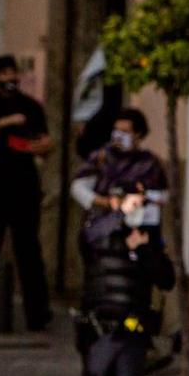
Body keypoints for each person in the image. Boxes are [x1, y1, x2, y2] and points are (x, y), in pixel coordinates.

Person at [77, 189, 175, 376]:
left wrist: (142, 249)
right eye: (134, 200)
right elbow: (88, 238)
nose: (138, 207)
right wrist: (120, 214)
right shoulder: (98, 226)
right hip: (97, 332)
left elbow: (166, 279)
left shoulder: (146, 235)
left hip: (132, 332)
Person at [0, 54, 56, 331]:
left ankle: (37, 312)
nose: (9, 78)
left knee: (28, 249)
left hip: (24, 185)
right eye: (3, 73)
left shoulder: (31, 107)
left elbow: (45, 143)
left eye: (12, 73)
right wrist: (1, 125)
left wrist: (38, 146)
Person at [69, 109, 170, 265]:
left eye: (124, 131)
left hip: (137, 229)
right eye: (116, 130)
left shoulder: (149, 162)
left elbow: (162, 195)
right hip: (102, 228)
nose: (118, 135)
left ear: (138, 134)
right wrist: (105, 202)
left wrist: (138, 199)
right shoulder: (102, 157)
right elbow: (78, 187)